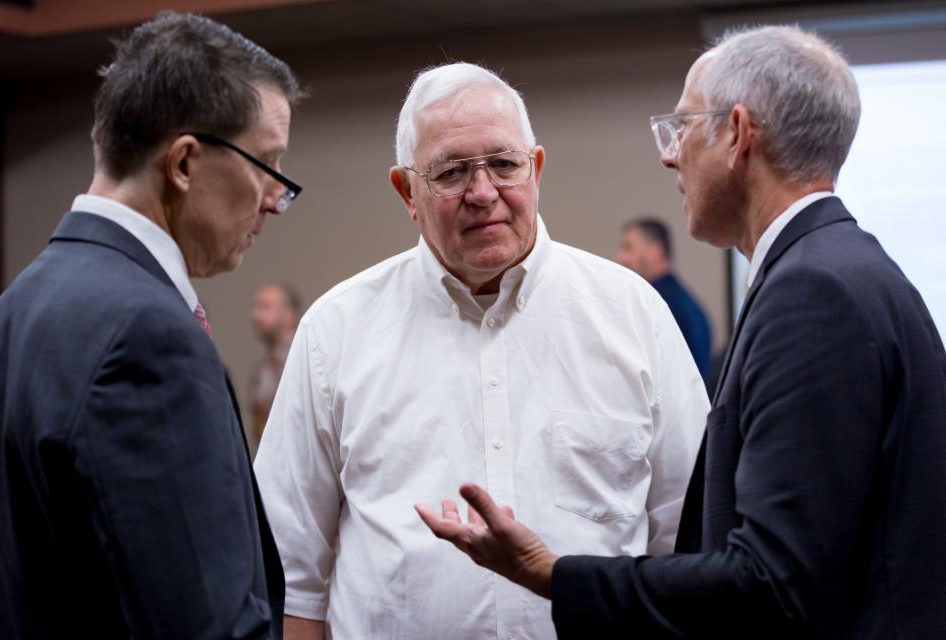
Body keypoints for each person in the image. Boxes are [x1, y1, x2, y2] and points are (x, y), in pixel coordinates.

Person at [416, 25, 946, 639]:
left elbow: (773, 583)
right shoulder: (843, 265)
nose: (669, 154)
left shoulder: (814, 292)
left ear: (739, 136)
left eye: (684, 126)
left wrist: (550, 572)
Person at [254, 62, 709, 639]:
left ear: (536, 168)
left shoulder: (632, 315)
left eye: (503, 163)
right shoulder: (336, 332)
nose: (483, 192)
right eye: (450, 172)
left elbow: (687, 541)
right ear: (406, 191)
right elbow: (294, 572)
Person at [0, 12, 301, 638]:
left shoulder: (13, 307)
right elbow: (203, 622)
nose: (274, 197)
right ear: (184, 163)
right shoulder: (148, 336)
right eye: (267, 165)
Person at [618, 218, 712, 378]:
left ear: (655, 250)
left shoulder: (659, 305)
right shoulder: (683, 302)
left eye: (628, 248)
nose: (621, 258)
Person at [249, 282, 301, 444]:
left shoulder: (302, 359)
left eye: (265, 307)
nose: (255, 316)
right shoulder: (264, 367)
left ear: (290, 314)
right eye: (255, 307)